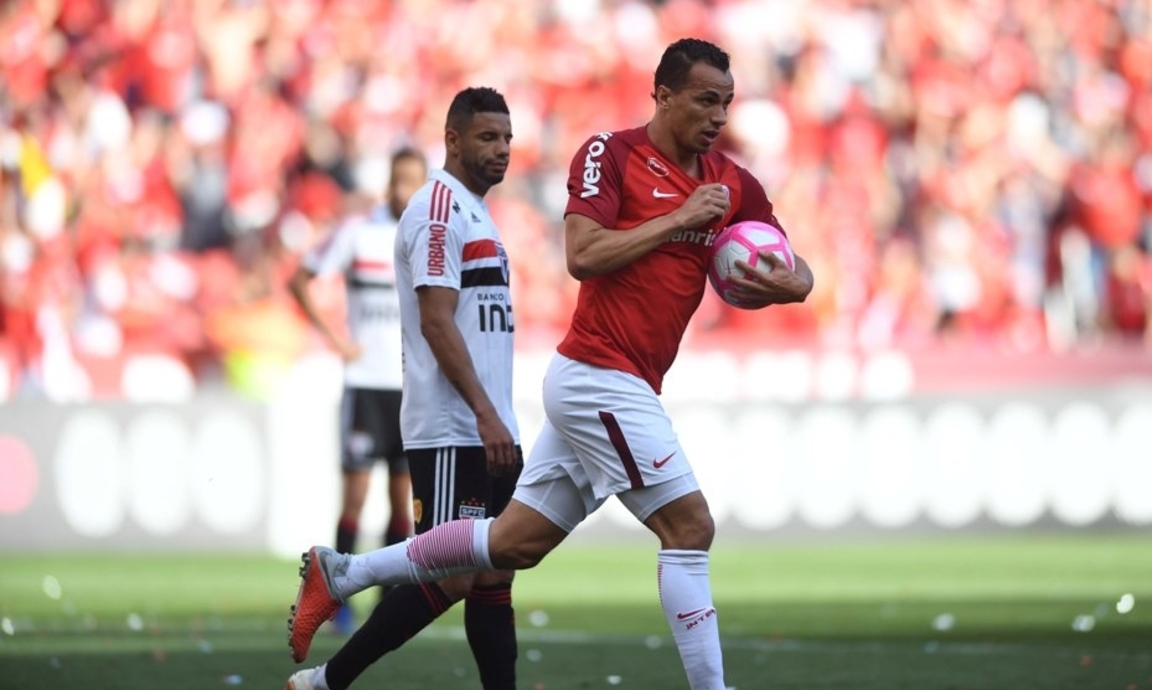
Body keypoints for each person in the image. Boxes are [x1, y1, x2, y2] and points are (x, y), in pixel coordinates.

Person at [287, 39, 814, 690]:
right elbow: (582, 254)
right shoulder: (610, 155)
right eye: (706, 100)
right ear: (664, 94)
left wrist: (789, 283)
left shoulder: (731, 183)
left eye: (726, 103)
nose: (719, 116)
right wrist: (679, 219)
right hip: (600, 376)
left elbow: (792, 261)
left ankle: (346, 578)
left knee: (509, 546)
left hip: (620, 382)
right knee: (690, 527)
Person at [287, 87, 523, 690]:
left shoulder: (475, 210)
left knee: (493, 571)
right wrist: (484, 414)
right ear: (452, 140)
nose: (501, 149)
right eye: (487, 137)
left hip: (488, 421)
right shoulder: (438, 211)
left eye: (506, 138)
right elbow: (437, 322)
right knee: (456, 572)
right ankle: (326, 675)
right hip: (453, 426)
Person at [287, 147, 427, 633]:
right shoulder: (358, 232)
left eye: (413, 180)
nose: (404, 188)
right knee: (356, 494)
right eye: (398, 178)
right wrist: (336, 340)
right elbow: (299, 280)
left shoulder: (429, 236)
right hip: (365, 384)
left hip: (410, 388)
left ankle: (386, 605)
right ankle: (335, 600)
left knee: (402, 500)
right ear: (388, 182)